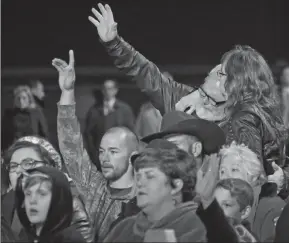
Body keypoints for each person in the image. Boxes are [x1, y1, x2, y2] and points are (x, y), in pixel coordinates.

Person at [88, 3, 288, 195]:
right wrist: (114, 43)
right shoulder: (189, 102)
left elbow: (256, 179)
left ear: (238, 85)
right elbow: (148, 76)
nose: (214, 72)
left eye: (222, 73)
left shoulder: (248, 121)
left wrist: (281, 181)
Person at [52, 50, 138, 241]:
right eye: (101, 152)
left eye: (113, 151)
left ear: (133, 156)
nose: (104, 158)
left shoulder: (148, 194)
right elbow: (71, 146)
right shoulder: (96, 192)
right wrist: (67, 92)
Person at [104, 144, 206, 242]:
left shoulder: (200, 227)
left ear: (176, 185)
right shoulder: (124, 227)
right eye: (138, 176)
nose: (140, 183)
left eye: (150, 176)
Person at [1, 136, 93, 242]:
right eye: (13, 166)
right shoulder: (5, 201)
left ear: (49, 167)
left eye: (28, 163)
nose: (18, 170)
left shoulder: (71, 205)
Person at [15, 166, 85, 243]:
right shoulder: (24, 236)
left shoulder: (70, 240)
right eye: (28, 194)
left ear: (58, 199)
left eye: (42, 194)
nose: (32, 200)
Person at [84, 79, 135, 169]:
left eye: (110, 89)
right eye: (105, 89)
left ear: (116, 90)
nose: (108, 92)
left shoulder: (124, 109)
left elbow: (131, 132)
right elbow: (88, 134)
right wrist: (93, 153)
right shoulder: (94, 110)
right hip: (100, 156)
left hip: (120, 154)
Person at [1, 85, 49, 151]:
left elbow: (44, 135)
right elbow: (3, 135)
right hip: (14, 150)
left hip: (33, 150)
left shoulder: (37, 113)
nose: (21, 101)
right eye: (18, 98)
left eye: (24, 98)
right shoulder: (9, 115)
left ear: (29, 99)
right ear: (14, 100)